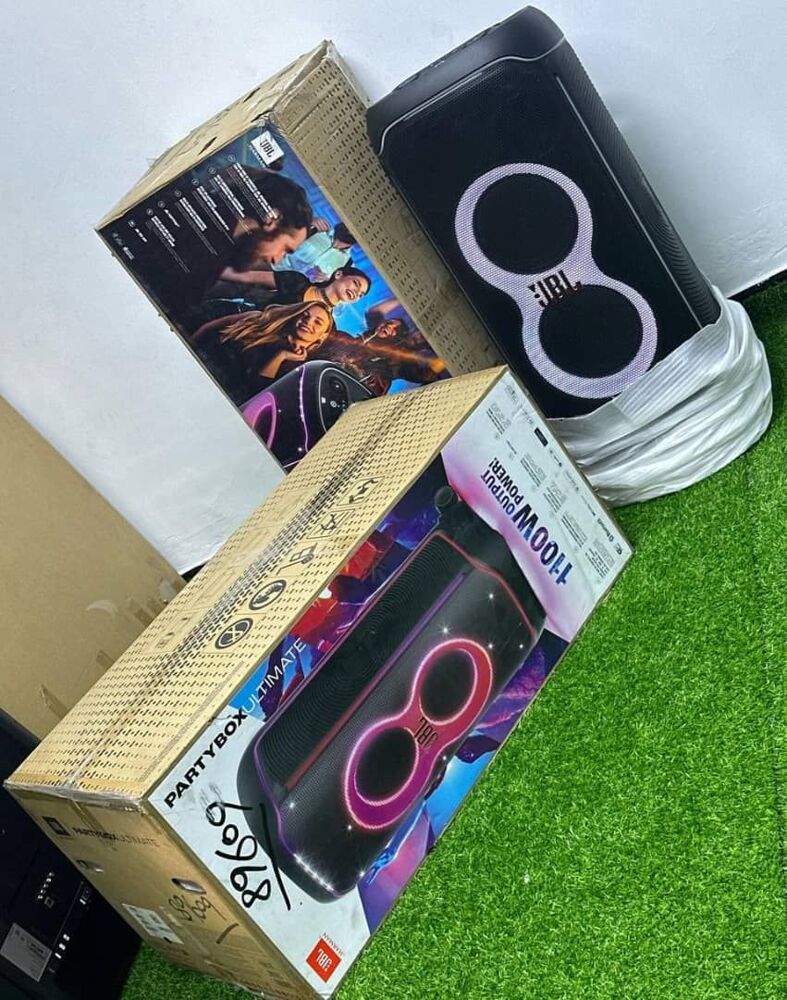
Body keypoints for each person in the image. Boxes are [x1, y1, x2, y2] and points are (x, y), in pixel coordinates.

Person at [190, 301, 334, 403]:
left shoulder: (301, 370)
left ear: (322, 336)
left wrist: (281, 356)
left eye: (318, 322)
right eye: (305, 315)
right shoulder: (261, 320)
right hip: (193, 365)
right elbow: (208, 327)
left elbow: (257, 392)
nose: (308, 321)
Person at [202, 265, 371, 315]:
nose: (356, 293)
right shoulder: (297, 281)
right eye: (356, 284)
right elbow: (248, 277)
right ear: (339, 274)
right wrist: (208, 269)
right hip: (233, 313)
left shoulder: (324, 324)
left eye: (361, 295)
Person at [271, 221, 357, 281]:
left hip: (290, 293)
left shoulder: (348, 267)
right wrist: (306, 225)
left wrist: (327, 281)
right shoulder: (315, 227)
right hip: (271, 269)